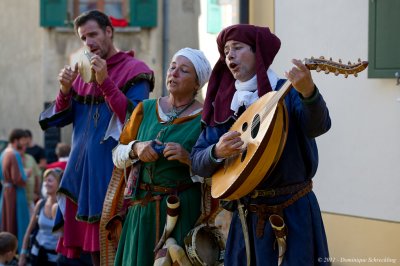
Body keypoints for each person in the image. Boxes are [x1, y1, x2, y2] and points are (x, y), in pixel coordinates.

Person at [190, 24, 332, 265]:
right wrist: (216, 151)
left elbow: (318, 126)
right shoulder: (226, 105)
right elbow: (197, 162)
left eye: (238, 47)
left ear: (259, 53)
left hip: (293, 213)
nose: (230, 55)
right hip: (247, 217)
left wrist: (309, 94)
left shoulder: (286, 93)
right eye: (226, 51)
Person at [38, 10, 154, 266]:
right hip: (79, 181)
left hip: (111, 179)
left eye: (93, 34)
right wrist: (65, 91)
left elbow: (137, 122)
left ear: (109, 32)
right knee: (84, 258)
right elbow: (52, 121)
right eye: (83, 38)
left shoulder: (135, 70)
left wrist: (105, 82)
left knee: (112, 253)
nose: (88, 43)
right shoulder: (81, 72)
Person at [107, 47, 211, 266]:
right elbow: (117, 155)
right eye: (172, 67)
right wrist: (137, 148)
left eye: (183, 71)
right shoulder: (145, 109)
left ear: (197, 83)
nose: (173, 74)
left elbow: (216, 174)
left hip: (180, 210)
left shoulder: (205, 119)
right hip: (141, 211)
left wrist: (188, 159)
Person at [18, 168, 63, 266]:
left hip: (55, 258)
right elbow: (28, 231)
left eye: (50, 180)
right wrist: (22, 254)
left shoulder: (63, 207)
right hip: (36, 254)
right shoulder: (40, 203)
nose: (46, 183)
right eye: (45, 180)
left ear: (59, 184)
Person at [0, 129, 30, 253]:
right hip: (16, 192)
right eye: (23, 140)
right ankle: (19, 251)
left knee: (7, 221)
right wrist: (26, 174)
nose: (25, 144)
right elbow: (18, 179)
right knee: (19, 222)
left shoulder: (3, 153)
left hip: (6, 191)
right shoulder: (14, 154)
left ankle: (6, 250)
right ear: (15, 140)